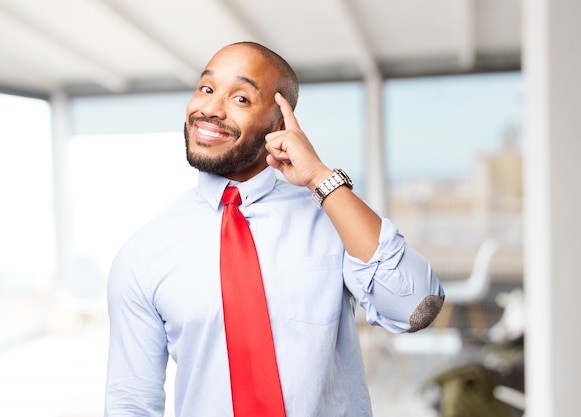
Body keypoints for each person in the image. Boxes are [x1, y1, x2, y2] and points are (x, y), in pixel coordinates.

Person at [105, 41, 445, 417]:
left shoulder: (331, 220)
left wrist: (320, 177)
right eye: (206, 89)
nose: (210, 109)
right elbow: (130, 402)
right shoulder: (144, 253)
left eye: (241, 99)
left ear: (279, 124)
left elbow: (415, 308)